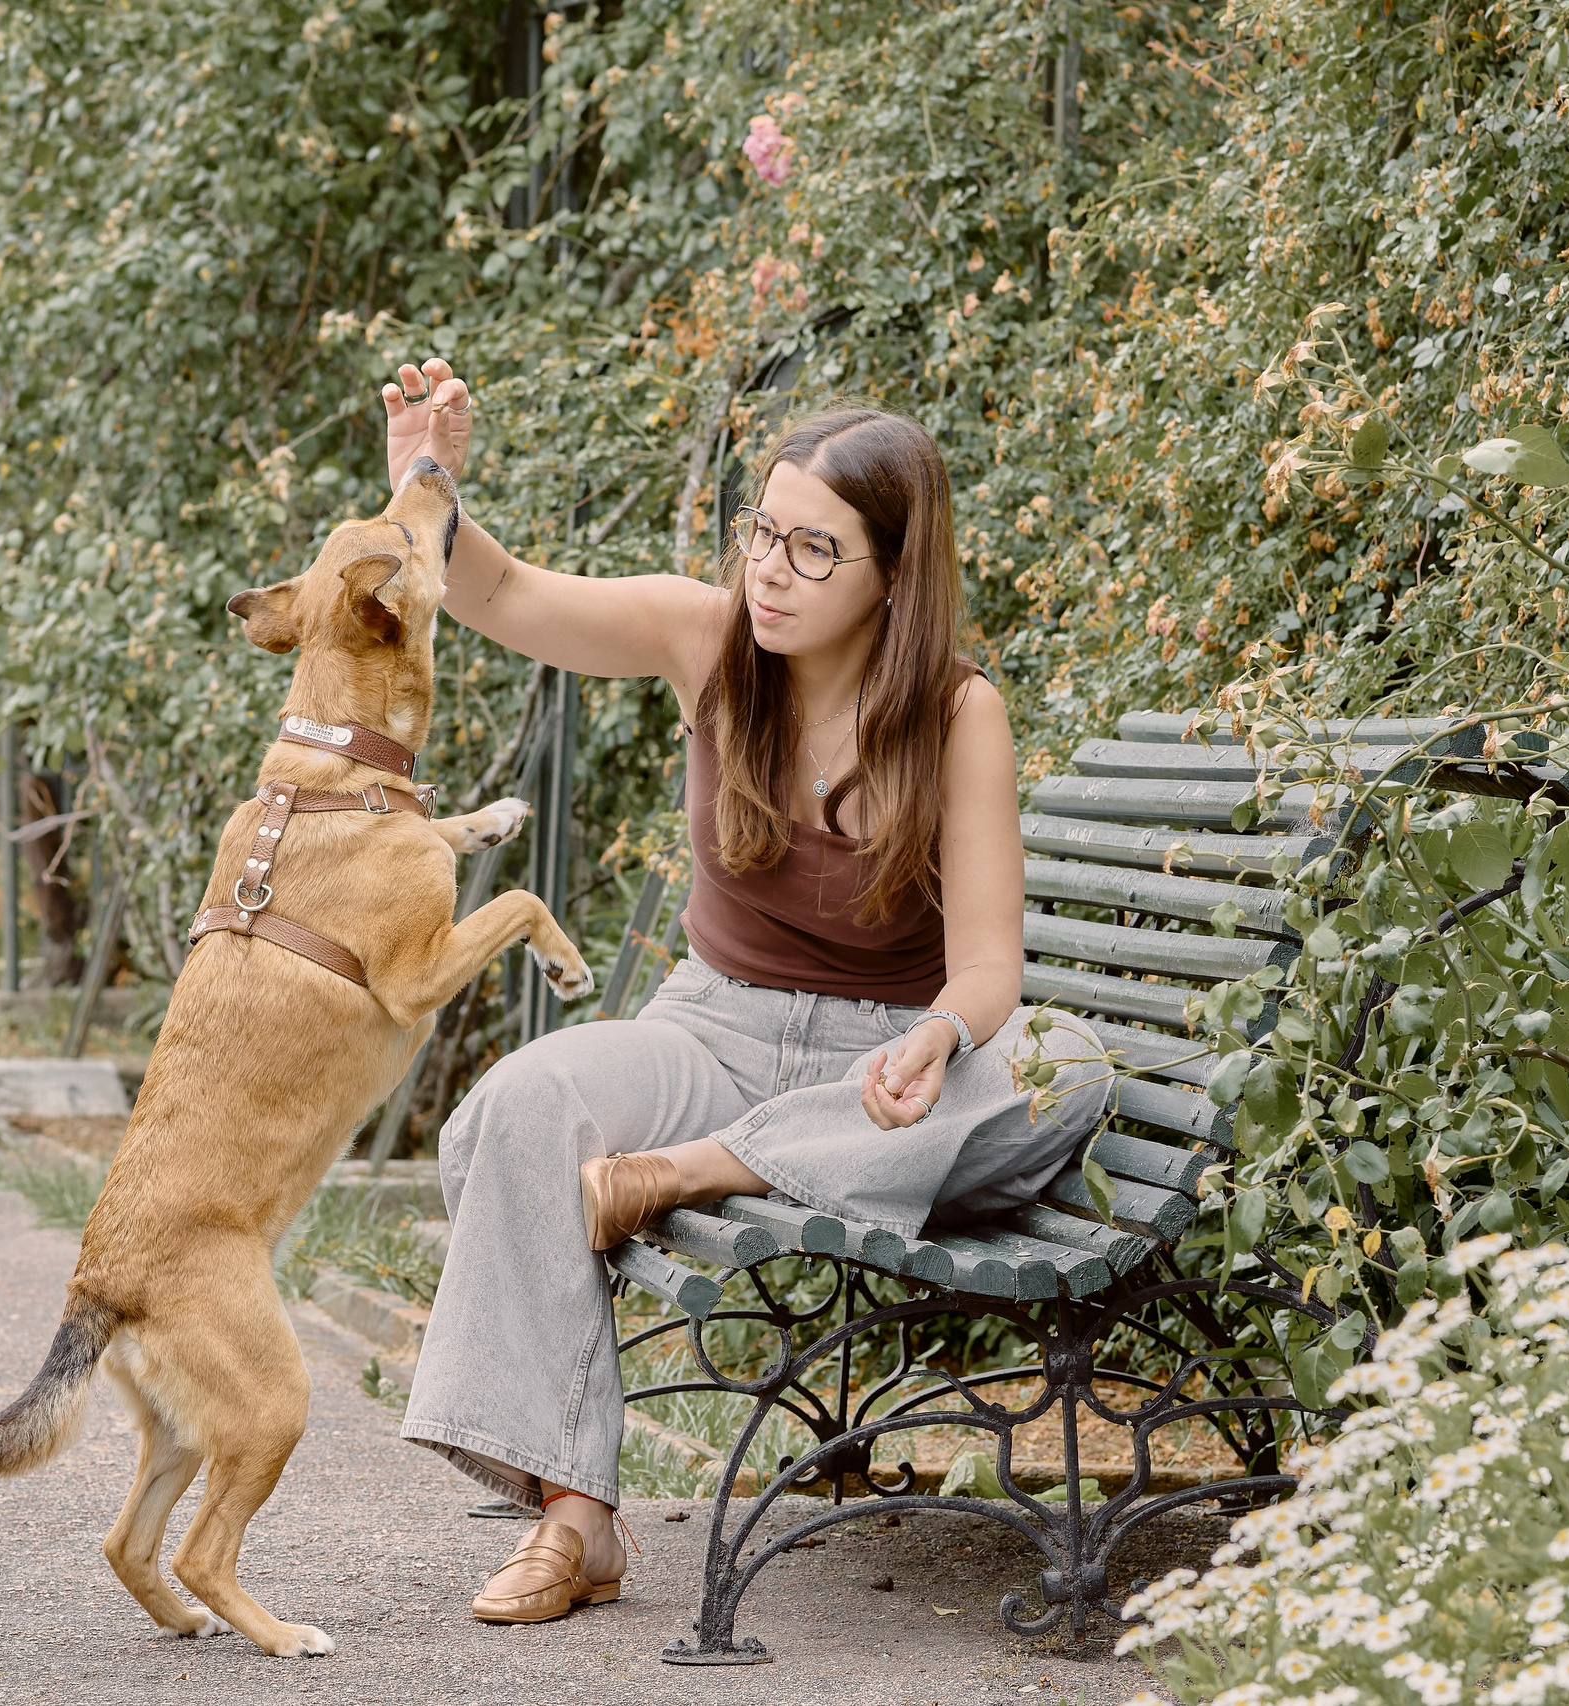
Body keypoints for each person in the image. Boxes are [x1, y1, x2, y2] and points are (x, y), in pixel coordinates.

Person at [374, 359, 1113, 1626]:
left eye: (813, 550)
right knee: (521, 1104)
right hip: (715, 1025)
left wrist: (939, 1035)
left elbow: (991, 965)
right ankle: (575, 1519)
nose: (769, 569)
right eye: (761, 533)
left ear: (892, 572)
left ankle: (695, 1169)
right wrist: (423, 478)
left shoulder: (955, 711)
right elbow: (501, 592)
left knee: (1064, 1066)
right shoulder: (703, 635)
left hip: (878, 1070)